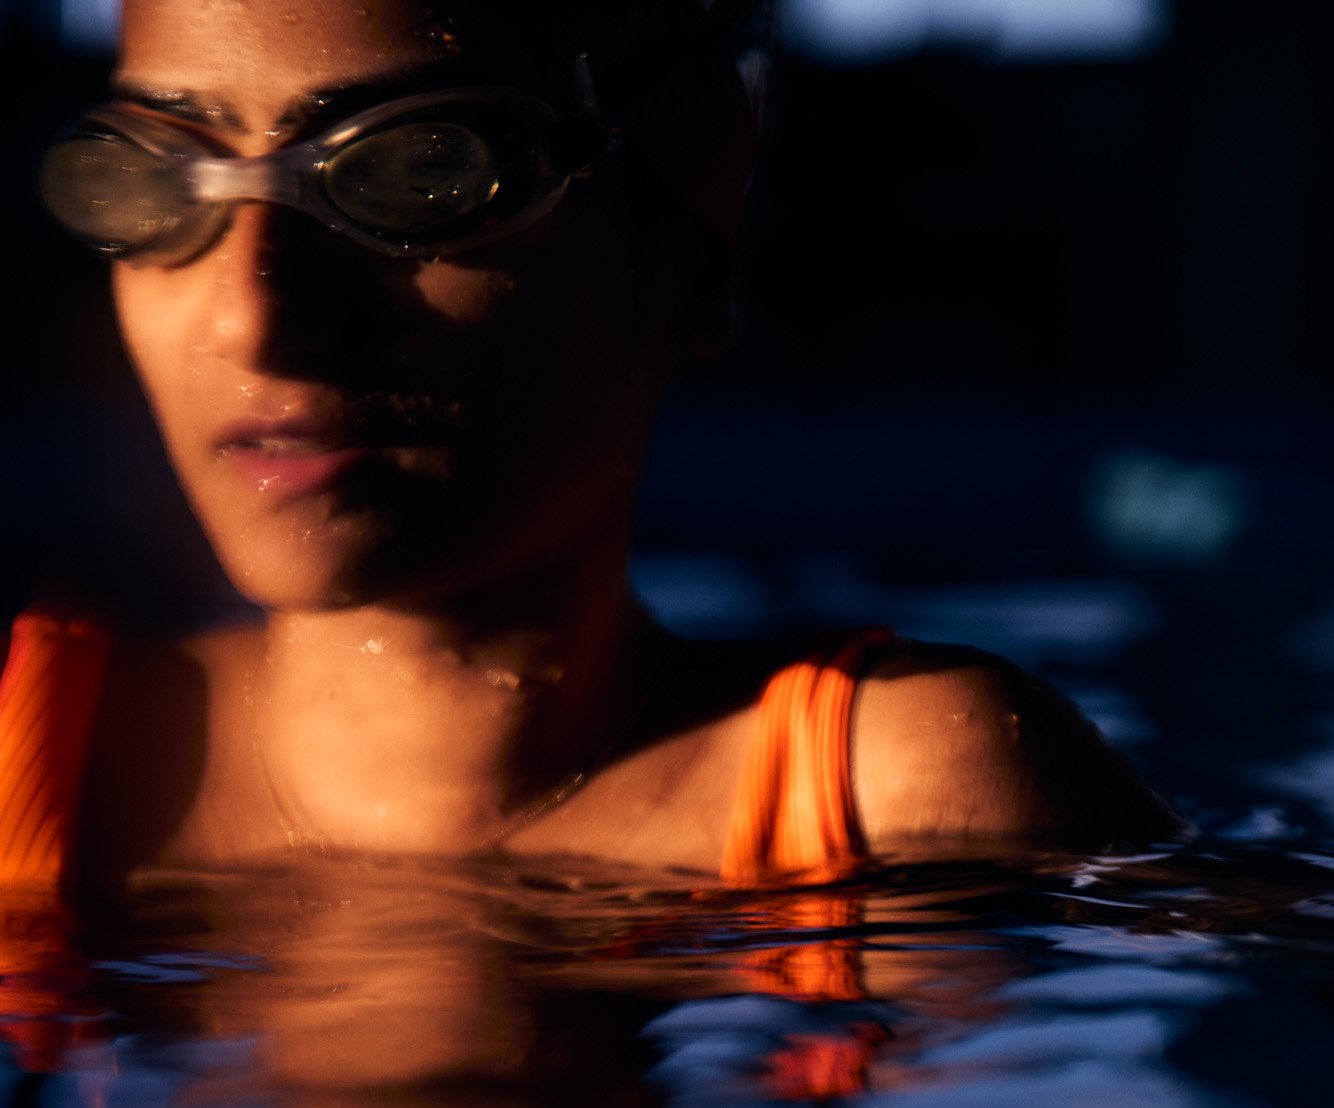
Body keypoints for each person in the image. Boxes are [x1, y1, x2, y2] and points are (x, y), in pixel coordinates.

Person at [1, 0, 1177, 898]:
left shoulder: (899, 790)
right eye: (155, 175)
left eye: (422, 173)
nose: (252, 317)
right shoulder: (29, 753)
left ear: (696, 232)